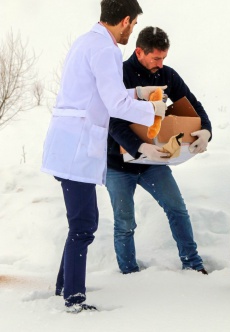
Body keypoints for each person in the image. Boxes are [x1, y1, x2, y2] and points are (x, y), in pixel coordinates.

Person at [41, 0, 167, 312]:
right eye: (134, 23)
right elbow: (113, 105)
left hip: (68, 143)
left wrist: (137, 95)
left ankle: (63, 287)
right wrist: (152, 109)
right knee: (84, 225)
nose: (133, 29)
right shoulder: (107, 50)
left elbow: (101, 94)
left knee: (79, 223)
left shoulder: (87, 41)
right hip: (77, 148)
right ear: (125, 20)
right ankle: (73, 299)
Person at [106, 26, 212, 275]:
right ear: (139, 52)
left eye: (164, 58)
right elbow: (112, 122)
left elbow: (192, 106)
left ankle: (193, 263)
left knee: (177, 208)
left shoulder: (167, 75)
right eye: (156, 58)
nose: (160, 64)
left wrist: (205, 131)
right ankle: (129, 272)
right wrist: (140, 147)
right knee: (124, 222)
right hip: (118, 164)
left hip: (153, 165)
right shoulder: (118, 75)